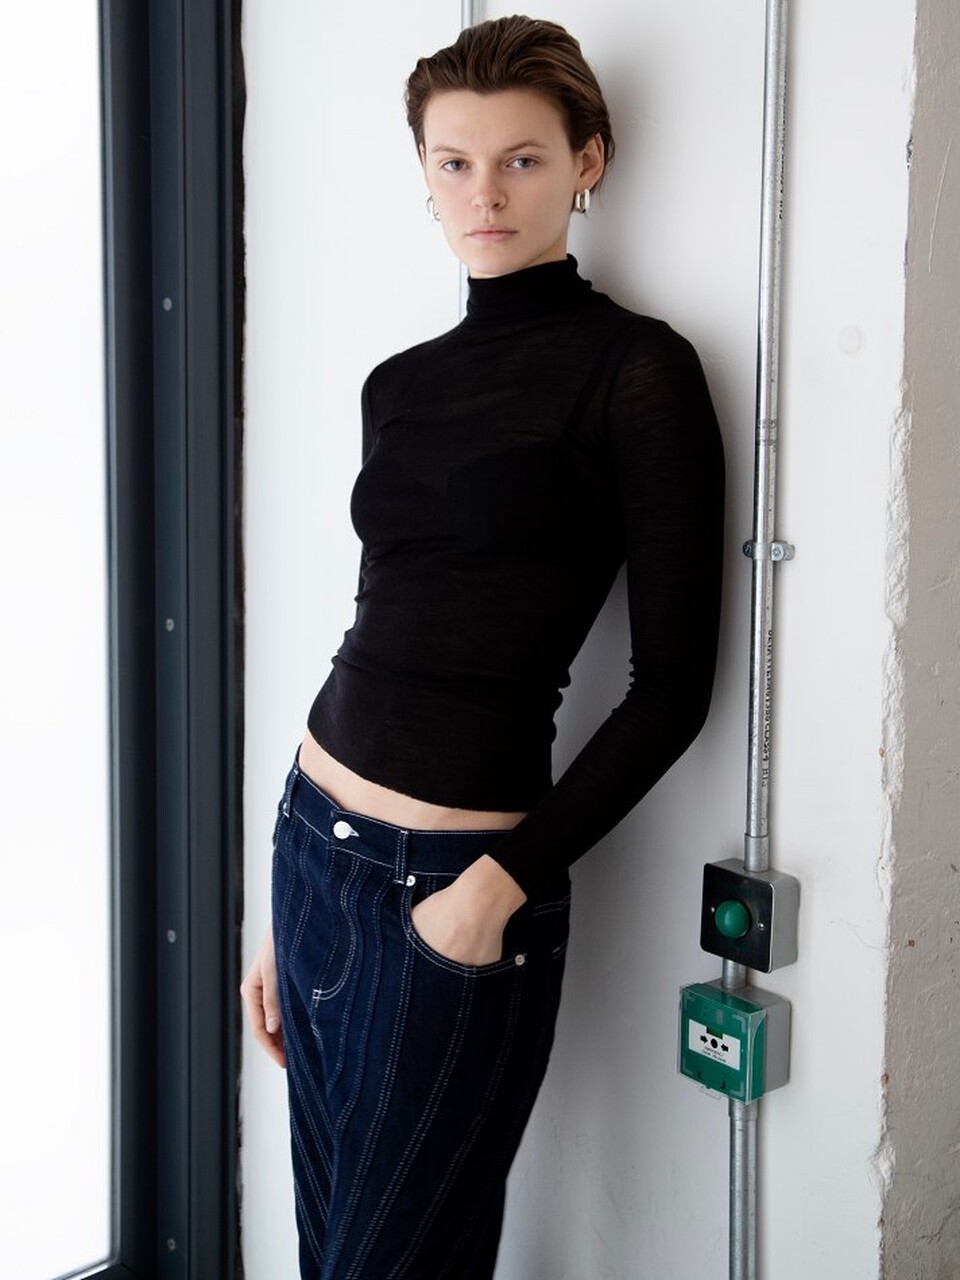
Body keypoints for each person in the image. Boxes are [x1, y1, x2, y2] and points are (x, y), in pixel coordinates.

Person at [241, 15, 724, 1279]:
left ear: (587, 162)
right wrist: (284, 911)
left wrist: (493, 891)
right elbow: (384, 617)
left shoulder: (637, 371)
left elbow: (672, 690)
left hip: (451, 888)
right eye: (453, 163)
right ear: (423, 171)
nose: (485, 194)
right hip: (313, 850)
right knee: (327, 1253)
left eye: (520, 159)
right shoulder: (398, 383)